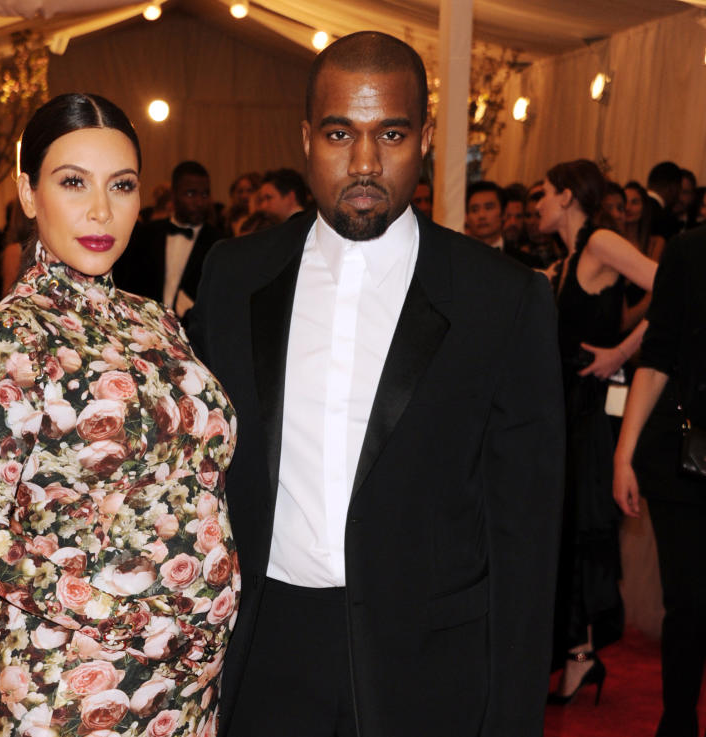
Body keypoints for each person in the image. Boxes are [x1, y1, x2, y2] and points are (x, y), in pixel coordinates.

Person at [190, 31, 565, 737]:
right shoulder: (233, 276)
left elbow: (526, 534)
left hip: (428, 667)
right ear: (306, 138)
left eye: (389, 132)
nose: (364, 161)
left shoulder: (501, 300)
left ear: (424, 138)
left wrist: (512, 716)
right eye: (340, 133)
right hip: (264, 650)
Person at [0, 93, 239, 737]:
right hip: (70, 682)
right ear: (27, 194)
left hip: (188, 679)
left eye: (121, 185)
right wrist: (134, 623)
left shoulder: (155, 321)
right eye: (73, 182)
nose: (100, 210)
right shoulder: (10, 339)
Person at [536, 159, 657, 704]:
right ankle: (573, 652)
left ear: (565, 196)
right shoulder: (565, 261)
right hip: (564, 415)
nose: (536, 204)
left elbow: (672, 289)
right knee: (565, 537)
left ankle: (581, 655)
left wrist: (621, 352)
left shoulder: (602, 242)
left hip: (588, 418)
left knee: (581, 534)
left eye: (543, 194)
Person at [613, 225, 706, 737]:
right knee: (689, 605)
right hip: (685, 457)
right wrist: (623, 455)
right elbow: (658, 356)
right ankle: (678, 724)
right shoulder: (690, 252)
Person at [112, 160, 224, 318]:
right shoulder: (146, 234)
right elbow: (125, 285)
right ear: (173, 194)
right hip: (144, 327)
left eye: (205, 194)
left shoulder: (219, 242)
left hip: (194, 336)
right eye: (191, 193)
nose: (199, 202)